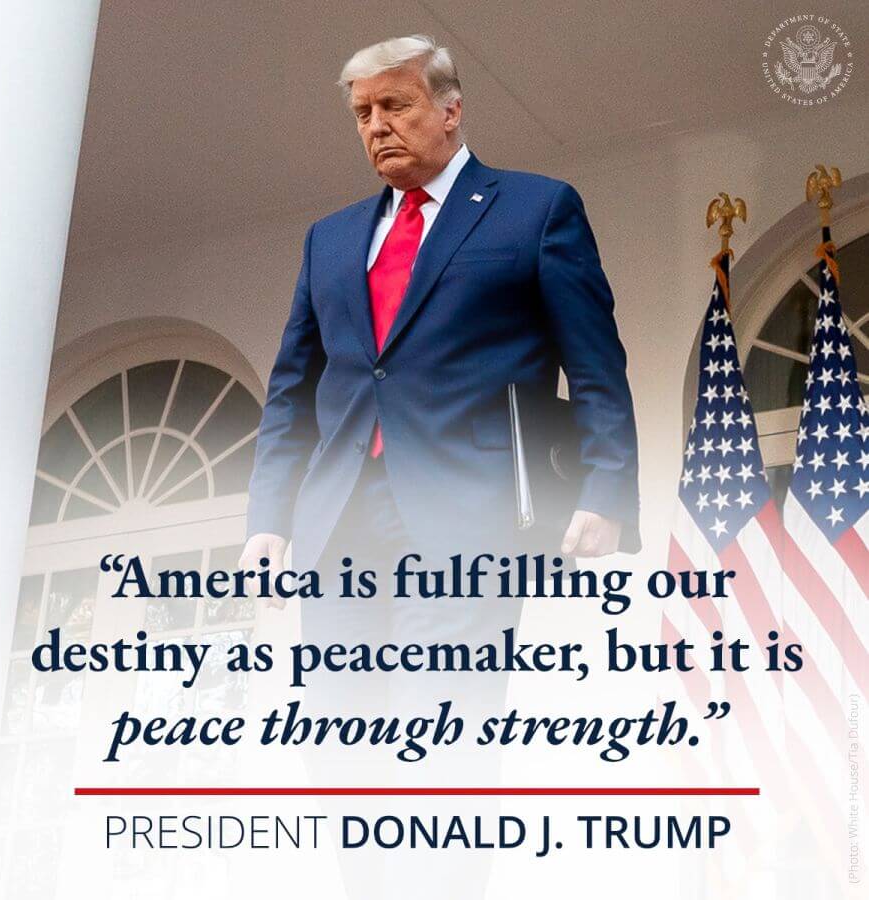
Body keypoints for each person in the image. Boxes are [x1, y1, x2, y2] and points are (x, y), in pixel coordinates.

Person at [239, 34, 640, 899]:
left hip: (469, 521)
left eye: (396, 106)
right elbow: (292, 391)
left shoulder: (535, 210)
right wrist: (269, 522)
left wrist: (606, 488)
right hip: (338, 527)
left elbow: (596, 363)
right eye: (362, 114)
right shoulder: (330, 241)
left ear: (451, 110)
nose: (376, 126)